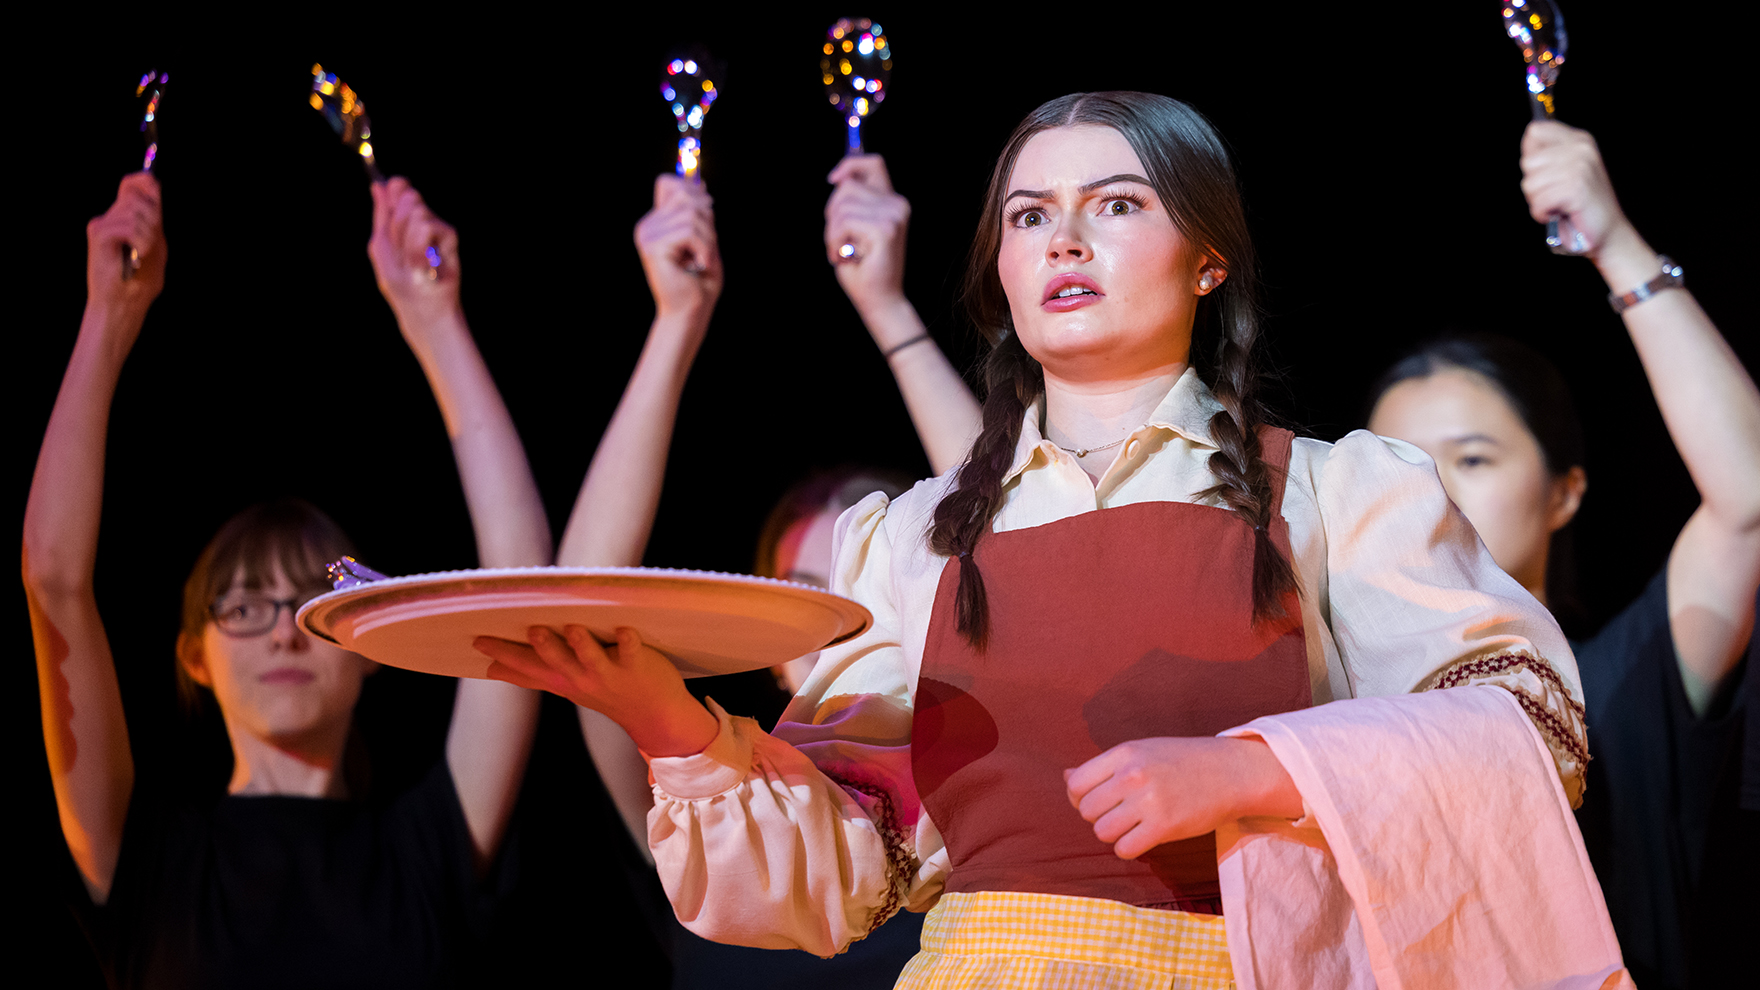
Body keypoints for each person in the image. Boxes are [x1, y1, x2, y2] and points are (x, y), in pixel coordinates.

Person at [483, 93, 1628, 987]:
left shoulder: (1336, 493)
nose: (1062, 239)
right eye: (1028, 216)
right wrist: (669, 723)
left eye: (1116, 205)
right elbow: (839, 877)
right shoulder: (909, 540)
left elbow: (1528, 733)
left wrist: (1253, 770)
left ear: (1208, 259)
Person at [22, 172, 549, 988]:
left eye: (313, 606)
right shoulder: (146, 858)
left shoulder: (426, 851)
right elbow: (54, 580)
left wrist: (434, 317)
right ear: (194, 655)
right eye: (243, 606)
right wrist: (109, 313)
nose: (280, 630)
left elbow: (524, 582)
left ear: (367, 646)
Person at [1366, 120, 1760, 990]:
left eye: (1473, 459)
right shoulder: (1330, 710)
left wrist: (1614, 244)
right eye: (1400, 466)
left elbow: (1750, 501)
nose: (1433, 492)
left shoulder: (1616, 687)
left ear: (1565, 492)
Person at [561, 165, 969, 988]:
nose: (848, 613)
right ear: (778, 656)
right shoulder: (702, 809)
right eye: (812, 588)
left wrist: (888, 307)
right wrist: (676, 321)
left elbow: (1019, 536)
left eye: (871, 577)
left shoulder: (982, 807)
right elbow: (578, 595)